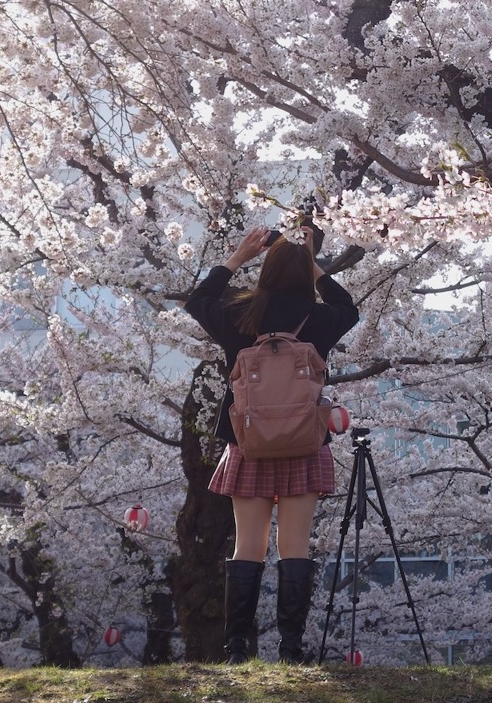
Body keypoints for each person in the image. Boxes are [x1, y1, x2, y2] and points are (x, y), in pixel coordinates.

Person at [185, 225, 360, 663]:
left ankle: (237, 648)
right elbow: (347, 307)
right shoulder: (319, 319)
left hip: (249, 443)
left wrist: (236, 259)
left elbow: (197, 301)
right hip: (303, 441)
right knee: (295, 546)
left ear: (264, 269)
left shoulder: (240, 313)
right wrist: (313, 266)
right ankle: (292, 648)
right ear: (306, 274)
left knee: (248, 546)